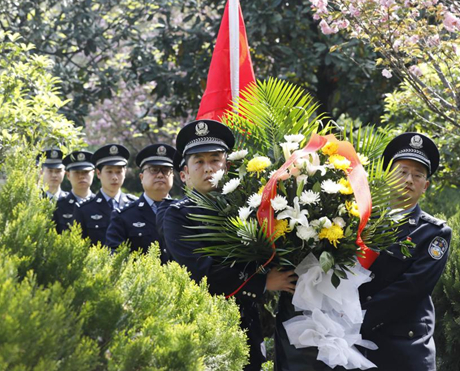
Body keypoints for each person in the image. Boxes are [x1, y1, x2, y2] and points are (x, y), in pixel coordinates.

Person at [160, 119, 297, 371]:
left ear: (228, 165)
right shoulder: (177, 216)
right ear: (185, 174)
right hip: (204, 326)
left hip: (250, 325)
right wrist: (263, 282)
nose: (208, 168)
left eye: (215, 159)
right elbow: (200, 274)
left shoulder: (247, 207)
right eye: (198, 161)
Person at [357, 132, 452, 371]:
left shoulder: (434, 233)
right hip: (352, 344)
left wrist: (356, 318)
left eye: (418, 175)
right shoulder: (360, 220)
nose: (409, 180)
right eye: (402, 172)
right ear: (388, 176)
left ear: (425, 186)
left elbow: (412, 288)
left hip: (403, 350)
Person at [105, 144, 178, 262]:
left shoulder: (183, 212)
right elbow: (115, 258)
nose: (160, 175)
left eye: (165, 170)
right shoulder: (123, 216)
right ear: (141, 177)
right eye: (154, 170)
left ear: (173, 176)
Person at [73, 144, 136, 246]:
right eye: (109, 172)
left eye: (119, 172)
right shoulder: (84, 209)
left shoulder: (134, 205)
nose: (115, 177)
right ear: (98, 173)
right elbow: (78, 248)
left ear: (125, 172)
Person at [53, 150, 96, 234]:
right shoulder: (58, 206)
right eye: (76, 172)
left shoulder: (101, 205)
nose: (81, 176)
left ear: (93, 173)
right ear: (68, 175)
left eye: (86, 172)